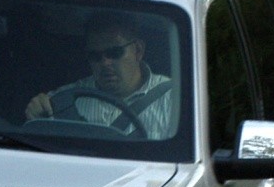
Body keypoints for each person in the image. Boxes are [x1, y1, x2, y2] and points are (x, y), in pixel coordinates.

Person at [24, 14, 175, 138]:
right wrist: (37, 111)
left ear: (138, 50)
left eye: (114, 53)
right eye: (95, 56)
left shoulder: (175, 100)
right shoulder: (66, 100)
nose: (105, 62)